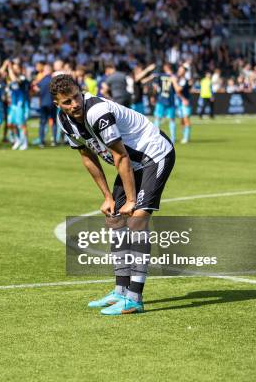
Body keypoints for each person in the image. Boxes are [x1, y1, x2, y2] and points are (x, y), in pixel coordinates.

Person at [50, 74, 175, 315]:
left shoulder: (98, 111)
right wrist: (107, 196)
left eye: (76, 97)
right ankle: (120, 291)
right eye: (67, 102)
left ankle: (135, 298)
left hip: (155, 155)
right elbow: (87, 157)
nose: (74, 104)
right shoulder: (64, 121)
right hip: (131, 164)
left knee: (137, 221)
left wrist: (130, 200)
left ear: (81, 91)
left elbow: (120, 156)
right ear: (58, 104)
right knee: (115, 219)